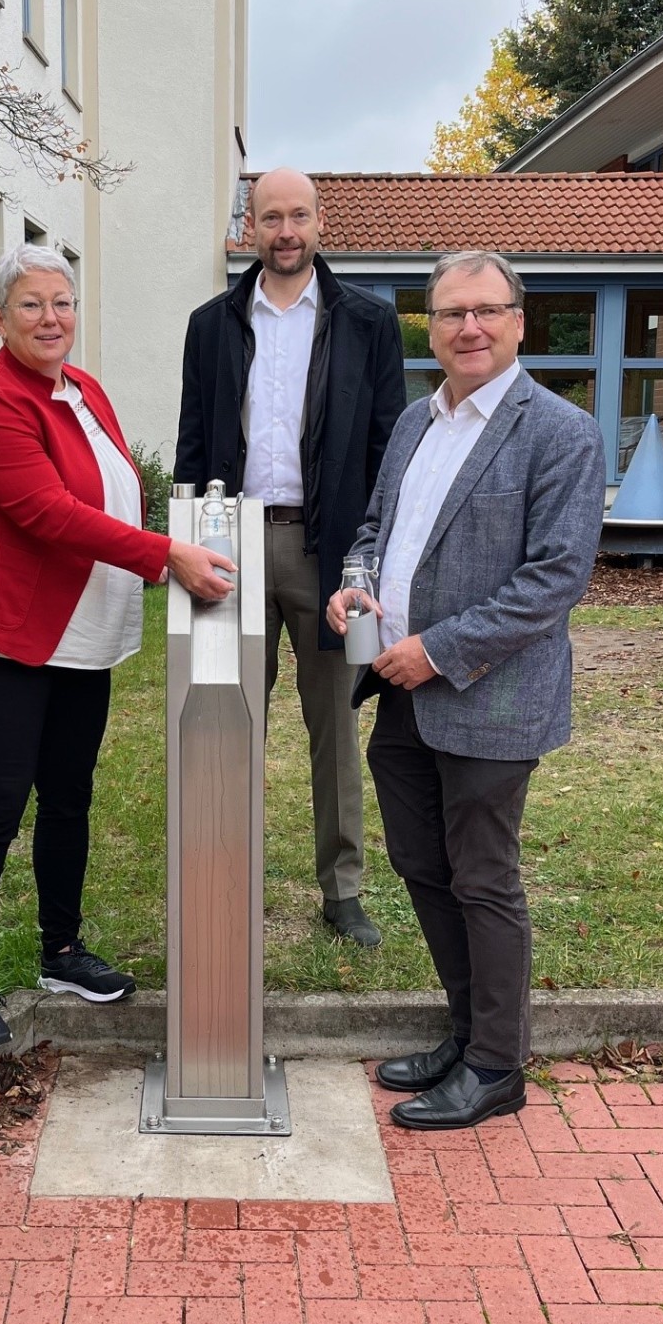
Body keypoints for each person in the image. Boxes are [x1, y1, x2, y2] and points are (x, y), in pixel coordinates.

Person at [0, 244, 233, 1051]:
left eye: (62, 302)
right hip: (0, 636)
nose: (51, 319)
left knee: (68, 797)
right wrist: (167, 555)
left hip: (77, 635)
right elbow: (49, 514)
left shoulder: (83, 389)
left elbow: (110, 489)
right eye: (31, 305)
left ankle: (60, 950)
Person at [328, 249, 605, 1130]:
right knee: (420, 863)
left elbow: (554, 578)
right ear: (431, 326)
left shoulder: (560, 431)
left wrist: (437, 650)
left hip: (488, 692)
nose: (469, 328)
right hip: (400, 686)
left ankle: (496, 1066)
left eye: (487, 310)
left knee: (483, 878)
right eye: (451, 313)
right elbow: (376, 528)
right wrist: (354, 583)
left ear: (520, 321)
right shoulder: (416, 421)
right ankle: (466, 1030)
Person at [176, 168, 406, 948]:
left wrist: (368, 559)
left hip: (329, 548)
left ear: (319, 221)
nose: (285, 231)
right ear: (250, 225)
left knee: (335, 726)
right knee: (225, 719)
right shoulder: (211, 325)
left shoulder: (369, 324)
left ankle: (342, 891)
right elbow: (191, 443)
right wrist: (186, 544)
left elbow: (386, 451)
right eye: (271, 216)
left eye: (298, 216)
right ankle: (222, 879)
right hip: (229, 547)